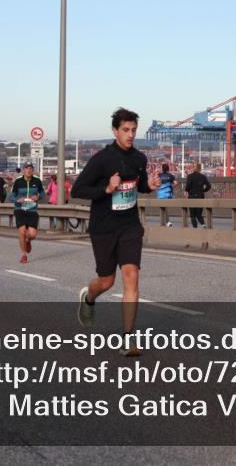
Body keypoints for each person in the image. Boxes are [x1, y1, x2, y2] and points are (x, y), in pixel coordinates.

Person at [72, 108, 161, 356]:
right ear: (115, 131)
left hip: (130, 225)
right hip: (104, 227)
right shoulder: (101, 159)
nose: (130, 134)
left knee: (131, 275)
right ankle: (89, 298)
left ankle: (128, 339)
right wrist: (106, 189)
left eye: (133, 130)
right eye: (125, 130)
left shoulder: (139, 159)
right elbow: (78, 190)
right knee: (107, 281)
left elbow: (138, 185)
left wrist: (148, 186)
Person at [9, 163, 45, 263]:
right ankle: (24, 255)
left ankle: (28, 240)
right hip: (20, 209)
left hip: (32, 210)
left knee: (32, 235)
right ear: (23, 171)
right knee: (22, 232)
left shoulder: (37, 181)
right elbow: (10, 197)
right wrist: (17, 200)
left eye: (31, 169)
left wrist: (38, 197)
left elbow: (42, 193)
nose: (29, 170)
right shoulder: (18, 181)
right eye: (27, 168)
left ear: (33, 171)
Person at [184, 162, 212, 227]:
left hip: (192, 197)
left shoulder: (190, 176)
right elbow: (209, 186)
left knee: (192, 215)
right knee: (199, 214)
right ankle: (203, 224)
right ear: (200, 168)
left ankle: (195, 229)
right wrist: (203, 190)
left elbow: (188, 186)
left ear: (194, 168)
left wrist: (186, 191)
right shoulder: (203, 177)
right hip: (200, 196)